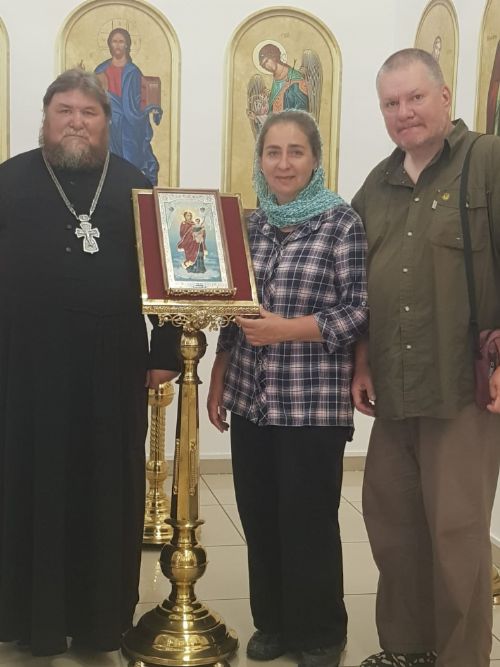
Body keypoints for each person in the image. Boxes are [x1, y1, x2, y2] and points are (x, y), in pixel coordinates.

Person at [0, 69, 181, 657]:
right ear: (45, 118)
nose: (76, 122)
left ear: (107, 122)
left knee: (107, 487)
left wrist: (164, 350)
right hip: (25, 367)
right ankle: (26, 617)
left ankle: (101, 622)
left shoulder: (134, 185)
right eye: (65, 111)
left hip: (111, 366)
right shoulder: (9, 181)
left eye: (89, 112)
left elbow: (168, 274)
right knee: (28, 481)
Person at [351, 48, 500, 667]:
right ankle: (407, 649)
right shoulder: (377, 184)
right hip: (394, 386)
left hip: (461, 388)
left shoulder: (486, 161)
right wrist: (362, 359)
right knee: (393, 524)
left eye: (415, 97)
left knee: (456, 535)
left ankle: (461, 658)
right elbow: (358, 283)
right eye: (391, 103)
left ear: (444, 97)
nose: (404, 112)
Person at [207, 110, 368, 667]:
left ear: (315, 159)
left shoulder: (341, 223)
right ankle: (272, 624)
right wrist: (220, 370)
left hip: (311, 403)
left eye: (295, 151)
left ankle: (319, 633)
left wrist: (287, 330)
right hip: (251, 397)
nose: (283, 163)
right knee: (259, 515)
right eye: (272, 152)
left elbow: (358, 310)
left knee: (308, 521)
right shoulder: (249, 225)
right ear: (260, 160)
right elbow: (234, 304)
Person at [95, 28, 162, 184]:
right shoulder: (100, 70)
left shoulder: (133, 72)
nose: (118, 45)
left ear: (127, 45)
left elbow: (140, 98)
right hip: (109, 123)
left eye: (121, 42)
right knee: (109, 161)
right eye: (114, 41)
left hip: (129, 124)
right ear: (109, 44)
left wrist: (150, 107)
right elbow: (94, 97)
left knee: (131, 160)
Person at [258, 43, 309, 113]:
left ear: (273, 56)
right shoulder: (275, 81)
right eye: (264, 65)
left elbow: (302, 110)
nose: (267, 66)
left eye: (267, 61)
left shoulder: (295, 79)